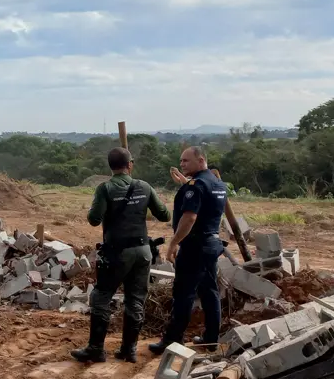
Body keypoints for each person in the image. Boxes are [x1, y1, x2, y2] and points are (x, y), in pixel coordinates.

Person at [72, 147, 170, 364]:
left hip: (117, 252)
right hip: (143, 251)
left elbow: (94, 219)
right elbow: (164, 215)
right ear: (130, 165)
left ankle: (96, 349)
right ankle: (129, 350)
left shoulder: (105, 188)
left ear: (110, 166)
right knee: (135, 300)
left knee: (101, 297)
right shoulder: (144, 186)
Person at [149, 146, 230, 354]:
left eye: (186, 161)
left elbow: (190, 217)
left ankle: (172, 340)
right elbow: (204, 198)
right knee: (209, 292)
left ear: (201, 160)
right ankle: (211, 339)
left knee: (183, 294)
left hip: (194, 247)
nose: (182, 164)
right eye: (181, 161)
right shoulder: (218, 184)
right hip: (211, 245)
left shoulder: (196, 185)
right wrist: (185, 184)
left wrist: (174, 243)